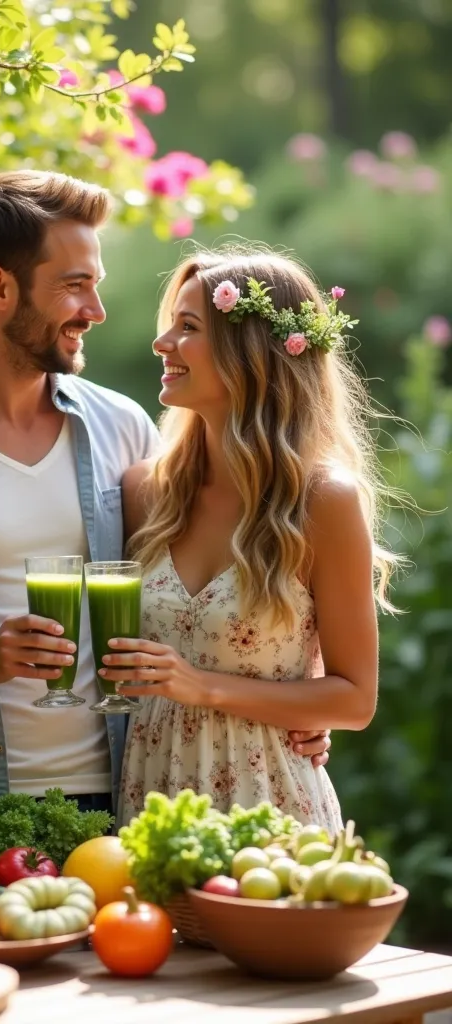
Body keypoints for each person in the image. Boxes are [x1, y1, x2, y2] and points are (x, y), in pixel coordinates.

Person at [0, 171, 330, 814]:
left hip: (134, 795)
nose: (96, 310)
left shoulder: (124, 429)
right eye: (74, 285)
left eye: (96, 284)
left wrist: (300, 698)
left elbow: (214, 586)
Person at [101, 249, 397, 832]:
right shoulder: (145, 492)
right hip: (149, 802)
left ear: (250, 355)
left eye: (187, 329)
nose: (162, 343)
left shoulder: (321, 501)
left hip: (272, 810)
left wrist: (203, 686)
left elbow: (354, 700)